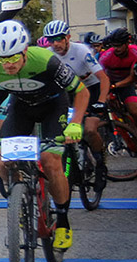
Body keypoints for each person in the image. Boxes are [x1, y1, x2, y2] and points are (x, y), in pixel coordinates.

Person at [0, 20, 88, 252]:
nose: (7, 64)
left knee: (50, 161)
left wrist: (75, 123)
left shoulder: (46, 60)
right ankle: (20, 202)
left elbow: (81, 91)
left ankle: (63, 222)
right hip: (21, 107)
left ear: (25, 50)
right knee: (4, 162)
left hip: (53, 106)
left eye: (13, 58)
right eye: (2, 58)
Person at [45, 20, 110, 170]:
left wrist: (101, 101)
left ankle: (100, 162)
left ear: (67, 37)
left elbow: (104, 78)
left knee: (89, 129)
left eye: (59, 39)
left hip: (91, 89)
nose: (55, 44)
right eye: (51, 40)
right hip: (70, 92)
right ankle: (76, 158)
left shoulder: (81, 50)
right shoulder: (49, 54)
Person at [100, 28, 137, 144]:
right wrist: (107, 91)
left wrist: (116, 85)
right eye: (114, 46)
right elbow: (100, 75)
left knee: (135, 111)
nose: (116, 49)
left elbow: (134, 76)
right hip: (109, 83)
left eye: (119, 46)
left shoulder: (135, 52)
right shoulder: (106, 56)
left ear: (127, 44)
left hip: (127, 84)